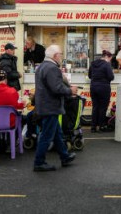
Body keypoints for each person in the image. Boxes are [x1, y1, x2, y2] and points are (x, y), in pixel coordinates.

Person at [33, 44, 77, 172]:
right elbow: (56, 88)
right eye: (61, 54)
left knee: (57, 133)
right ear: (55, 56)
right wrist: (70, 90)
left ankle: (65, 156)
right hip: (50, 106)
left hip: (45, 105)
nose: (61, 57)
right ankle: (39, 162)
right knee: (46, 136)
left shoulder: (41, 66)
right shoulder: (52, 68)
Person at [88, 50, 115, 133]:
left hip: (93, 87)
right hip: (104, 88)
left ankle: (93, 127)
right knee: (103, 107)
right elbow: (111, 77)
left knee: (95, 107)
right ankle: (101, 126)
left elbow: (89, 76)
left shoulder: (93, 63)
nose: (110, 61)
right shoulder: (107, 65)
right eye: (110, 59)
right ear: (107, 57)